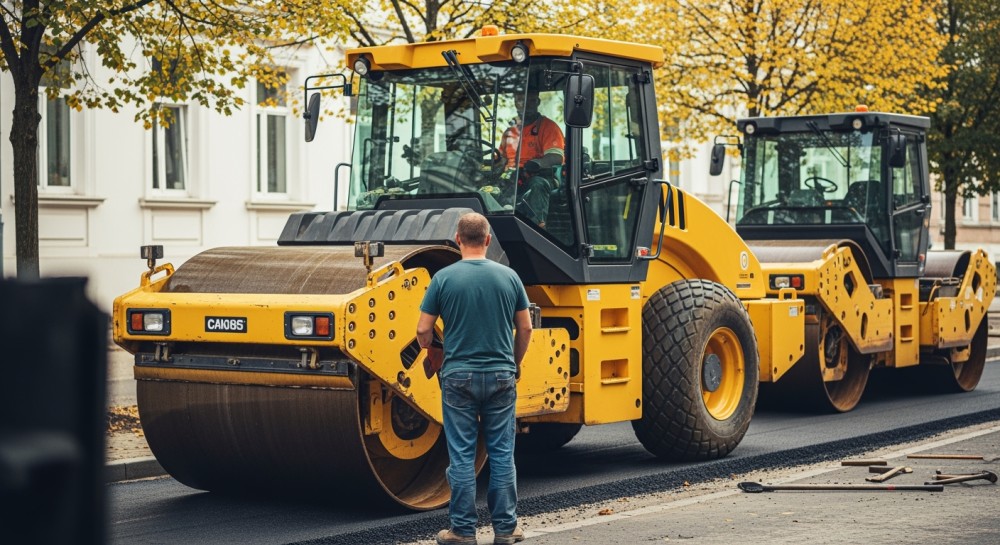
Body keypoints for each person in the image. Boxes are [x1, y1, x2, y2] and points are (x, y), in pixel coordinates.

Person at [416, 212, 533, 545]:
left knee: (463, 456)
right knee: (501, 454)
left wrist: (434, 348)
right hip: (500, 376)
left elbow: (423, 329)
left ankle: (463, 531)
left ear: (457, 239)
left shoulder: (443, 279)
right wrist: (514, 361)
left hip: (458, 377)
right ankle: (506, 530)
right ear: (487, 240)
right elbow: (525, 327)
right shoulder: (509, 277)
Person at [497, 90, 565, 226]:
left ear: (537, 102)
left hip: (541, 176)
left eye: (530, 101)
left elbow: (556, 156)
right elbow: (501, 159)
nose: (524, 105)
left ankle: (537, 228)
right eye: (520, 100)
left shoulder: (548, 126)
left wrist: (534, 164)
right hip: (512, 178)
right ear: (515, 103)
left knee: (537, 184)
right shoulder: (510, 132)